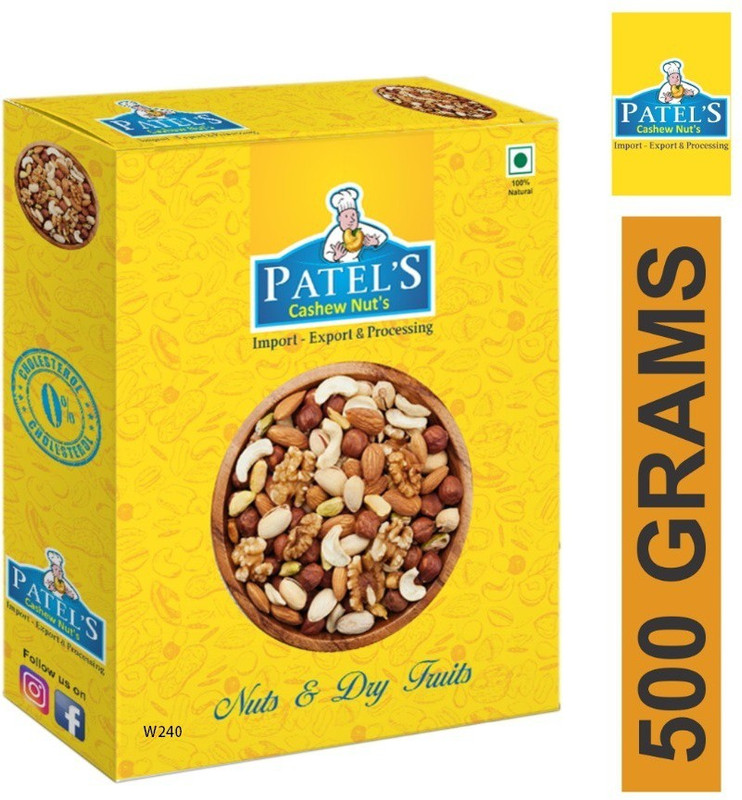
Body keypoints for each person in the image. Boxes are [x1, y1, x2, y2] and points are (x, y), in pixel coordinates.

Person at [323, 188, 387, 263]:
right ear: (339, 218)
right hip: (339, 266)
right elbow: (326, 254)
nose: (351, 219)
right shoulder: (335, 232)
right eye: (346, 216)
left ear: (357, 215)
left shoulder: (361, 229)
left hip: (357, 263)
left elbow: (382, 236)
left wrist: (375, 241)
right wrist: (336, 256)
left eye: (353, 215)